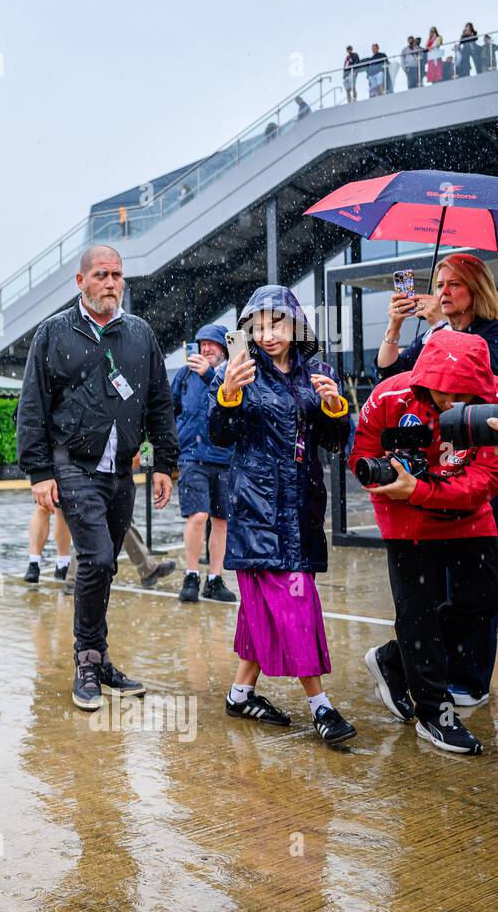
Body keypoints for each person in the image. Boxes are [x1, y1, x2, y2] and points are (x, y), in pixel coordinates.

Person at [17, 244, 177, 711]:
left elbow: (159, 403)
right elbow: (33, 406)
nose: (111, 283)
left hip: (122, 467)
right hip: (73, 463)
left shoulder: (140, 334)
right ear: (81, 281)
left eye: (117, 275)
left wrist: (165, 463)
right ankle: (86, 658)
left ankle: (100, 656)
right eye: (102, 275)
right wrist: (40, 472)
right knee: (99, 556)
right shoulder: (53, 333)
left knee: (104, 566)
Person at [208, 286, 355, 744]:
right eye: (258, 326)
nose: (268, 334)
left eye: (277, 324)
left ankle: (239, 692)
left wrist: (336, 409)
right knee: (295, 604)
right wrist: (228, 394)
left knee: (263, 611)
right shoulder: (239, 372)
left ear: (296, 325)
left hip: (303, 507)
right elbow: (219, 435)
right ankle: (320, 705)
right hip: (257, 509)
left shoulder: (319, 372)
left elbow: (333, 441)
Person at [352, 331, 498, 755]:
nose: (452, 403)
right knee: (418, 611)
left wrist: (420, 488)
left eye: (463, 393)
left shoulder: (490, 409)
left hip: (466, 512)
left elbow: (484, 480)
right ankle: (434, 712)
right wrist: (392, 482)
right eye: (444, 392)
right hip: (405, 515)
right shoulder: (388, 397)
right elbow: (361, 456)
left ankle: (395, 660)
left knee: (488, 594)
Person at [374, 253, 498, 707]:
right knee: (433, 593)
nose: (443, 292)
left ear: (476, 291)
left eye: (454, 285)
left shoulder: (490, 336)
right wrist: (395, 328)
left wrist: (449, 344)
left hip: (480, 470)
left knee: (478, 591)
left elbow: (486, 395)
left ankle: (468, 675)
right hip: (435, 471)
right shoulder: (434, 338)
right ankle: (420, 668)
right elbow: (388, 374)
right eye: (440, 284)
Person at [170, 324, 236, 603]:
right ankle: (192, 574)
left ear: (224, 347)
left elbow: (230, 400)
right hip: (192, 457)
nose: (206, 348)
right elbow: (169, 409)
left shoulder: (231, 374)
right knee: (198, 516)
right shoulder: (184, 376)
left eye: (213, 343)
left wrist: (209, 375)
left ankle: (215, 578)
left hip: (224, 458)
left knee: (221, 521)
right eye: (202, 343)